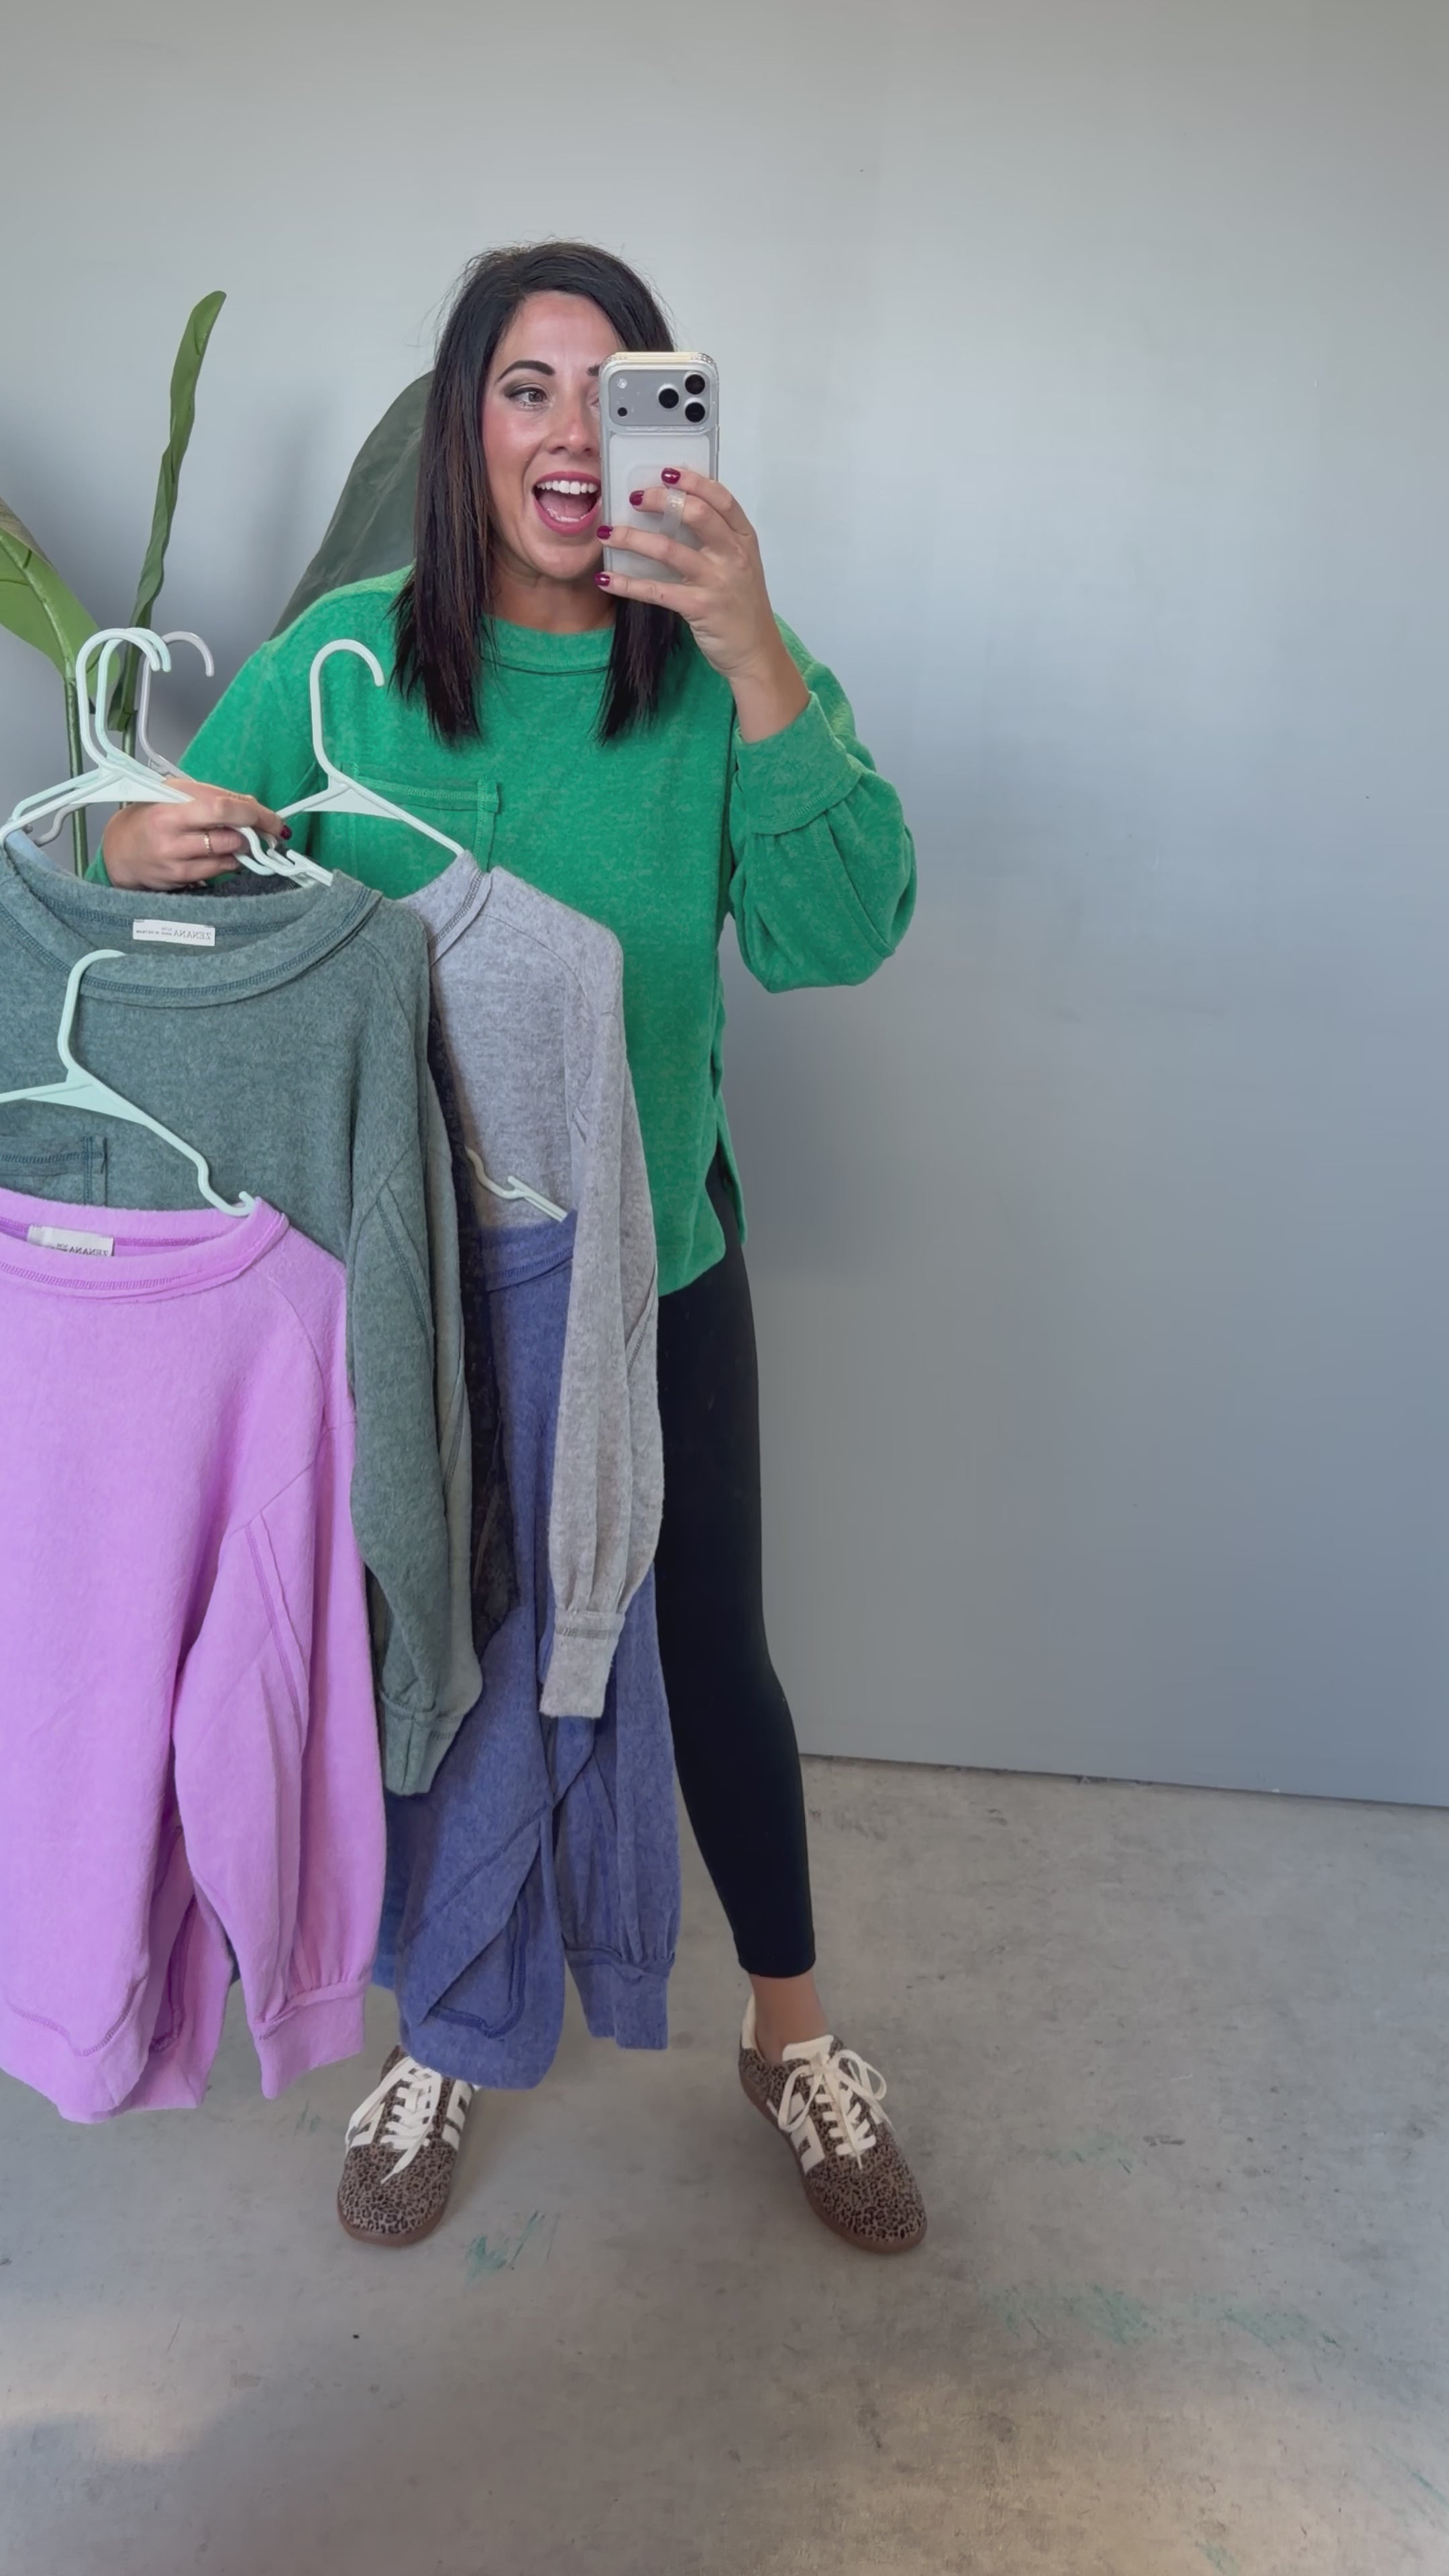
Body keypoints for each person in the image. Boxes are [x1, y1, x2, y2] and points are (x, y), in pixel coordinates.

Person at [100, 240, 924, 2254]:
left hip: (653, 1283)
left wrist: (753, 649)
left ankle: (792, 2034)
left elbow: (839, 935)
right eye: (526, 389)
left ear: (663, 425)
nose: (571, 432)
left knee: (707, 1657)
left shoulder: (720, 672)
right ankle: (446, 2031)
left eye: (612, 389)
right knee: (436, 1666)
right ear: (462, 429)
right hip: (400, 1288)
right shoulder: (348, 663)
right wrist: (135, 839)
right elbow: (174, 875)